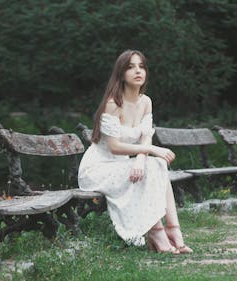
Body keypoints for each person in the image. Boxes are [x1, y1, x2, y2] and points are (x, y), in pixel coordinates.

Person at [78, 50, 192, 254]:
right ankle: (157, 232)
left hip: (123, 164)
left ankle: (174, 230)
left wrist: (141, 159)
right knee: (152, 164)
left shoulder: (145, 101)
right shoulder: (113, 104)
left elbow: (146, 135)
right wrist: (149, 150)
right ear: (121, 74)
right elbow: (114, 146)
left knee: (156, 164)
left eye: (141, 66)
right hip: (99, 168)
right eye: (130, 67)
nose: (137, 71)